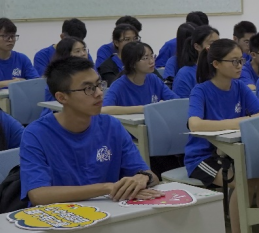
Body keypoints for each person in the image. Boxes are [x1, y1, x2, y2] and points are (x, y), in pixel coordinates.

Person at [185, 39, 259, 233]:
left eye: (241, 60)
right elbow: (194, 124)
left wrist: (241, 121)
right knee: (243, 181)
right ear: (216, 64)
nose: (239, 66)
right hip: (203, 157)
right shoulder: (201, 90)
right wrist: (240, 121)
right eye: (233, 61)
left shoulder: (240, 87)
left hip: (234, 152)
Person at [20, 56, 162, 206]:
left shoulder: (111, 125)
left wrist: (143, 177)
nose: (99, 93)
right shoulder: (36, 134)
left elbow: (150, 176)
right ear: (62, 97)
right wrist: (106, 188)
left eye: (99, 84)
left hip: (109, 211)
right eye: (88, 88)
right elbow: (38, 194)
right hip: (59, 215)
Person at [102, 42, 178, 115]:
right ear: (132, 63)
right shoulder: (119, 85)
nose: (152, 61)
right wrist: (141, 109)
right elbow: (104, 109)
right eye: (146, 58)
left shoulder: (153, 79)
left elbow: (176, 101)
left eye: (152, 56)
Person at [40, 37, 90, 117]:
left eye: (84, 49)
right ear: (66, 55)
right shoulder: (57, 76)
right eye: (77, 51)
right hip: (54, 116)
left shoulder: (88, 73)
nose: (83, 53)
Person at [172, 25, 220, 98]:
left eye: (219, 44)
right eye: (212, 44)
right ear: (197, 46)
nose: (217, 48)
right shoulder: (185, 74)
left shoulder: (221, 69)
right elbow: (181, 103)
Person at [0, 18, 39, 88]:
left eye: (12, 36)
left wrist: (23, 82)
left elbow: (37, 83)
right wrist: (6, 83)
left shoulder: (22, 59)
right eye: (5, 36)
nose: (10, 40)